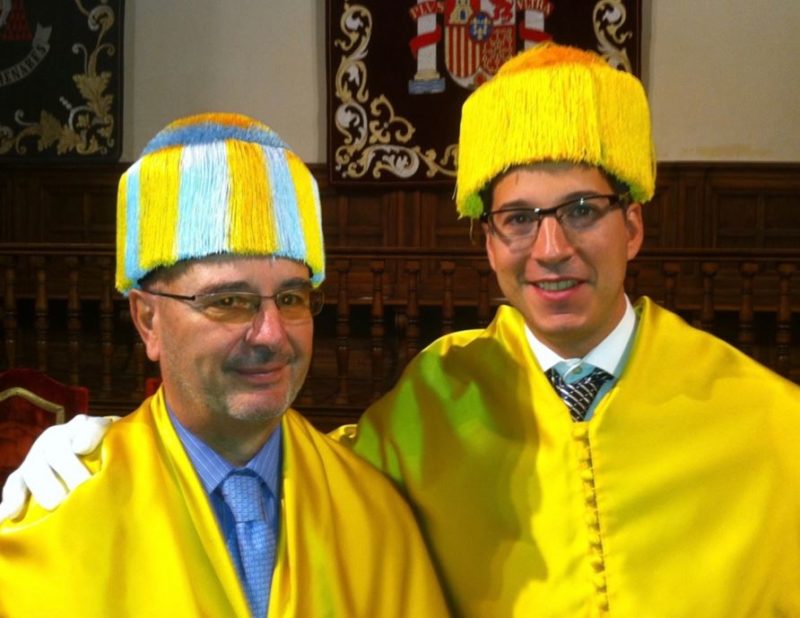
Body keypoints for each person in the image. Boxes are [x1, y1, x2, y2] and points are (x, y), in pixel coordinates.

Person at [4, 43, 800, 616]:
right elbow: (259, 452)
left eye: (583, 211)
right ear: (487, 241)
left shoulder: (774, 427)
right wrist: (99, 436)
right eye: (518, 218)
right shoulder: (433, 403)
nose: (551, 249)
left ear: (634, 224)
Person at [0, 113, 449, 617]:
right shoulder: (59, 517)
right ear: (148, 320)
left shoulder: (372, 512)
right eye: (229, 301)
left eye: (293, 298)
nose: (272, 334)